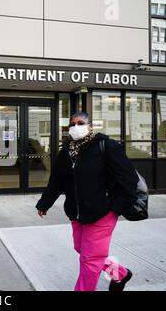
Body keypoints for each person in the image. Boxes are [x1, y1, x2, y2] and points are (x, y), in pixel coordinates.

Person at [36, 112, 137, 291]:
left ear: (90, 126)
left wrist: (116, 207)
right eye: (72, 124)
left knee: (90, 259)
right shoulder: (66, 151)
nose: (76, 127)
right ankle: (120, 274)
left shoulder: (106, 146)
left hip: (102, 212)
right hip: (76, 212)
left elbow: (128, 179)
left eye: (80, 123)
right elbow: (57, 181)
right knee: (83, 249)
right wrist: (45, 203)